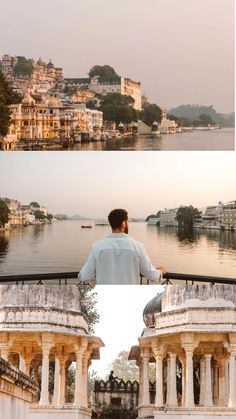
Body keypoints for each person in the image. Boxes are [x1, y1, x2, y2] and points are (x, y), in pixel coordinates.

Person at [78, 208, 166, 285]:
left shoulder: (97, 247)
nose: (128, 224)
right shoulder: (138, 247)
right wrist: (160, 271)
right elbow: (151, 274)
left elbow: (84, 276)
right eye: (128, 222)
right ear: (124, 223)